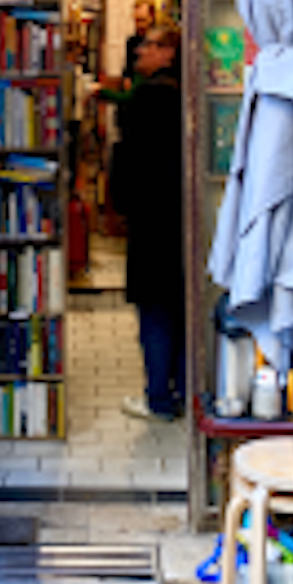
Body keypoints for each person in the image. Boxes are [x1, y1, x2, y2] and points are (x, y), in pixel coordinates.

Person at [107, 26, 187, 421]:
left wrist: (119, 202)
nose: (141, 50)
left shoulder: (148, 98)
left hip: (152, 216)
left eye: (153, 45)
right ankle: (185, 391)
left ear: (170, 53)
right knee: (181, 306)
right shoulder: (184, 96)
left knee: (155, 309)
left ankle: (159, 397)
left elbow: (129, 156)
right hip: (181, 216)